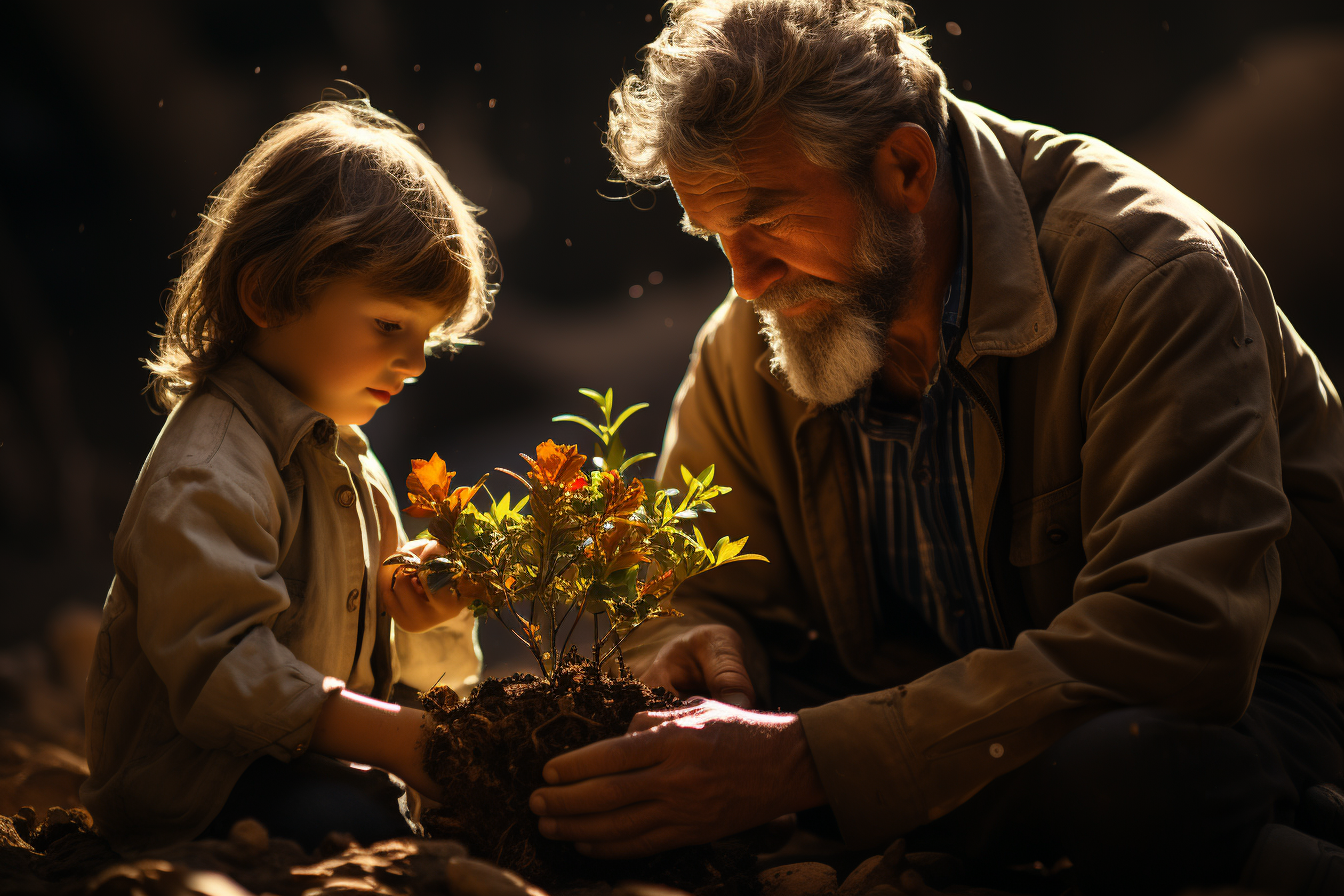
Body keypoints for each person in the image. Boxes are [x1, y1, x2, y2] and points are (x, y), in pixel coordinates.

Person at [527, 2, 1344, 892]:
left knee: (1132, 773)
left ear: (906, 167)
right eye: (717, 236)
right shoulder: (756, 334)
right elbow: (686, 594)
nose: (745, 280)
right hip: (910, 706)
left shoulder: (1146, 276)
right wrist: (702, 645)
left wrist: (804, 765)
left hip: (1227, 702)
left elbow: (1179, 641)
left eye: (765, 222)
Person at [80, 90, 494, 852]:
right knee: (363, 827)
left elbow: (404, 679)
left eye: (429, 336)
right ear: (269, 292)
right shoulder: (208, 469)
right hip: (199, 789)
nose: (414, 361)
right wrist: (403, 743)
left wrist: (426, 622)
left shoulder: (346, 458)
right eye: (388, 324)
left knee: (466, 810)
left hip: (317, 758)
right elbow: (224, 675)